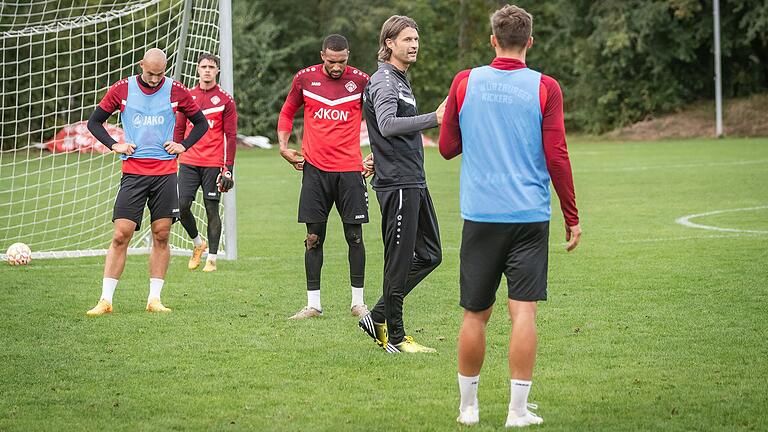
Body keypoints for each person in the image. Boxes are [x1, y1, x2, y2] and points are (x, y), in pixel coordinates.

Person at [438, 5, 582, 427]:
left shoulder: (465, 81)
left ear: (493, 40)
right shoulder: (546, 87)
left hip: (481, 215)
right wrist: (571, 214)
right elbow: (557, 155)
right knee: (523, 313)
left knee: (474, 314)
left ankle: (468, 409)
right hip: (529, 216)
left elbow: (447, 147)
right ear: (530, 43)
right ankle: (517, 412)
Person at [85, 48, 208, 316]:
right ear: (142, 65)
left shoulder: (176, 90)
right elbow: (94, 123)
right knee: (121, 234)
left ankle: (154, 299)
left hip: (165, 175)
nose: (154, 79)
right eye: (150, 73)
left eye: (160, 74)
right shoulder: (122, 89)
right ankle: (105, 300)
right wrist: (114, 144)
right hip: (134, 173)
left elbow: (201, 123)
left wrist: (183, 145)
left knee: (162, 234)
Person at [357, 16, 446, 354]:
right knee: (398, 260)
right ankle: (395, 335)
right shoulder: (384, 80)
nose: (414, 45)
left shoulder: (400, 80)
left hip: (413, 180)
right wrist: (434, 119)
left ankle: (377, 314)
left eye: (416, 39)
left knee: (431, 253)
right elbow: (388, 124)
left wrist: (378, 155)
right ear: (389, 43)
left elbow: (384, 133)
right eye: (407, 39)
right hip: (398, 183)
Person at [277, 34, 371, 319]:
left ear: (348, 56)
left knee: (354, 237)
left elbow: (379, 119)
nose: (337, 67)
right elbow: (287, 111)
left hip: (351, 171)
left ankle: (358, 303)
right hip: (315, 171)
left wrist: (377, 153)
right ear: (322, 56)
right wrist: (282, 146)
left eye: (342, 61)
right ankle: (313, 305)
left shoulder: (362, 80)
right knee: (313, 237)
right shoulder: (305, 79)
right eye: (331, 61)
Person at [174, 53, 238, 273]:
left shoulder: (225, 99)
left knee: (212, 209)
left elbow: (231, 135)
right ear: (197, 69)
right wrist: (174, 154)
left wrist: (228, 168)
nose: (208, 70)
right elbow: (179, 129)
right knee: (181, 206)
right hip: (189, 161)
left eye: (212, 67)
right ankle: (197, 243)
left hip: (213, 163)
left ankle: (212, 258)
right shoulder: (188, 97)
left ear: (218, 70)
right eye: (204, 66)